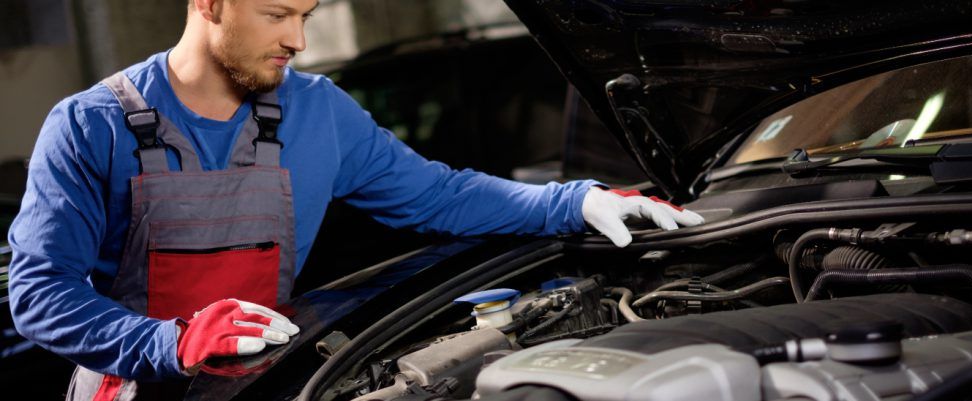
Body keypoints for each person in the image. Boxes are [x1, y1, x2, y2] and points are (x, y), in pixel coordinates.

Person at [6, 0, 704, 399]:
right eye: (278, 13)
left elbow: (440, 195)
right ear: (209, 4)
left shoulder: (318, 113)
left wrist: (572, 201)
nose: (299, 41)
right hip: (130, 390)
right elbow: (38, 293)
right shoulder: (90, 125)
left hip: (262, 384)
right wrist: (171, 339)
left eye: (307, 14)